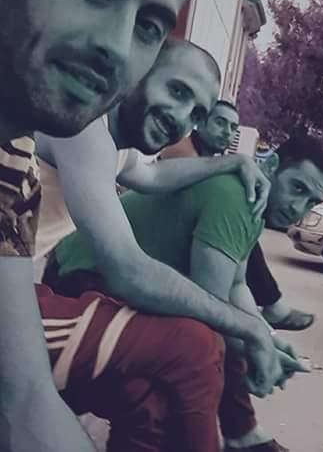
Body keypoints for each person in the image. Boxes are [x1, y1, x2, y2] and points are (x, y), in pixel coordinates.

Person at [34, 37, 294, 451]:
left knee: (146, 400)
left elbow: (152, 176)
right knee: (195, 344)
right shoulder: (86, 128)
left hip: (30, 288)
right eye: (177, 91)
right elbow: (129, 272)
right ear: (139, 69)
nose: (181, 118)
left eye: (197, 114)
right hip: (21, 300)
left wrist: (232, 161)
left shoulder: (116, 145)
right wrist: (252, 328)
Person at [0, 0, 191, 449]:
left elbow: (24, 397)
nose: (117, 47)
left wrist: (230, 166)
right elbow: (128, 269)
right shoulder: (78, 140)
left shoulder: (15, 159)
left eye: (148, 27)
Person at [48, 135, 323, 452]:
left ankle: (240, 433)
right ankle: (240, 433)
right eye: (297, 188)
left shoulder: (254, 202)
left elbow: (237, 286)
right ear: (271, 166)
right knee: (176, 378)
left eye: (311, 201)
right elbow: (212, 306)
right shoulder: (236, 196)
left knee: (191, 365)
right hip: (78, 279)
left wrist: (268, 339)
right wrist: (258, 347)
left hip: (114, 282)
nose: (298, 207)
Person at [162, 103, 315, 330]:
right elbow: (208, 193)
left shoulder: (210, 156)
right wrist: (238, 163)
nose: (227, 132)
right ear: (200, 123)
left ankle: (269, 309)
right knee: (237, 227)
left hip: (187, 231)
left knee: (242, 234)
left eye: (233, 127)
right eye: (220, 122)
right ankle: (271, 306)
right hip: (160, 237)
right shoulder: (181, 150)